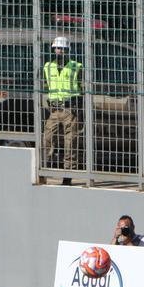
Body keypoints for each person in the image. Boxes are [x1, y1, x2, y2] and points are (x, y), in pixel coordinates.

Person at [42, 35, 82, 185]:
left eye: (63, 48)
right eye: (58, 48)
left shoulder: (76, 66)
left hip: (69, 109)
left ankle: (68, 175)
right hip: (54, 109)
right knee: (46, 139)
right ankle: (44, 170)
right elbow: (46, 86)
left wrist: (78, 109)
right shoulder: (48, 67)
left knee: (70, 142)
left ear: (68, 50)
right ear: (53, 49)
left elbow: (81, 88)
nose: (60, 51)